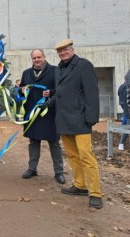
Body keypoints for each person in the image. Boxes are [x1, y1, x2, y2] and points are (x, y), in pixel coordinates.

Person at [45, 39, 103, 209]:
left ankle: (96, 194)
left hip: (80, 119)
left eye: (65, 50)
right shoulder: (59, 69)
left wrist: (91, 118)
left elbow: (92, 92)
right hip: (63, 119)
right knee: (72, 155)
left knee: (86, 155)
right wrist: (47, 103)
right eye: (60, 51)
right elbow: (61, 93)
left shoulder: (83, 66)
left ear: (72, 49)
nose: (63, 53)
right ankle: (80, 185)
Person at [19, 49, 65, 184]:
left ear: (44, 57)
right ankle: (32, 168)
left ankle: (59, 172)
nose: (37, 60)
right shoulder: (26, 73)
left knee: (54, 143)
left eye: (39, 57)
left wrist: (50, 92)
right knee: (33, 142)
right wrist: (21, 90)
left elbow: (61, 90)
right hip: (32, 114)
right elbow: (21, 89)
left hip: (49, 113)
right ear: (31, 59)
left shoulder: (55, 71)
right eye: (34, 58)